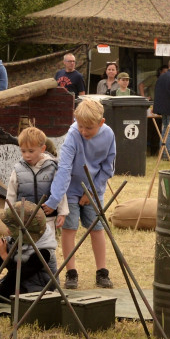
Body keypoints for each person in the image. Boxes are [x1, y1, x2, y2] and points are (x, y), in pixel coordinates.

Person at [43, 98, 116, 290]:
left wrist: (91, 192)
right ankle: (71, 272)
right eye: (80, 126)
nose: (83, 131)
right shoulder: (73, 135)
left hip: (95, 188)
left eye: (88, 128)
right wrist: (55, 199)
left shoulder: (109, 135)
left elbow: (108, 168)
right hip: (70, 189)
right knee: (69, 228)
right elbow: (64, 168)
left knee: (96, 228)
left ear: (101, 123)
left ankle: (102, 271)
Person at [0, 125, 60, 294]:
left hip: (47, 218)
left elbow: (60, 191)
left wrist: (63, 211)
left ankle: (44, 283)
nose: (26, 155)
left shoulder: (52, 167)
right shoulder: (18, 169)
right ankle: (14, 283)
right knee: (22, 249)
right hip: (23, 220)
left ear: (43, 148)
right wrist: (8, 218)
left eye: (31, 151)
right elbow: (11, 194)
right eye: (23, 151)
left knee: (42, 251)